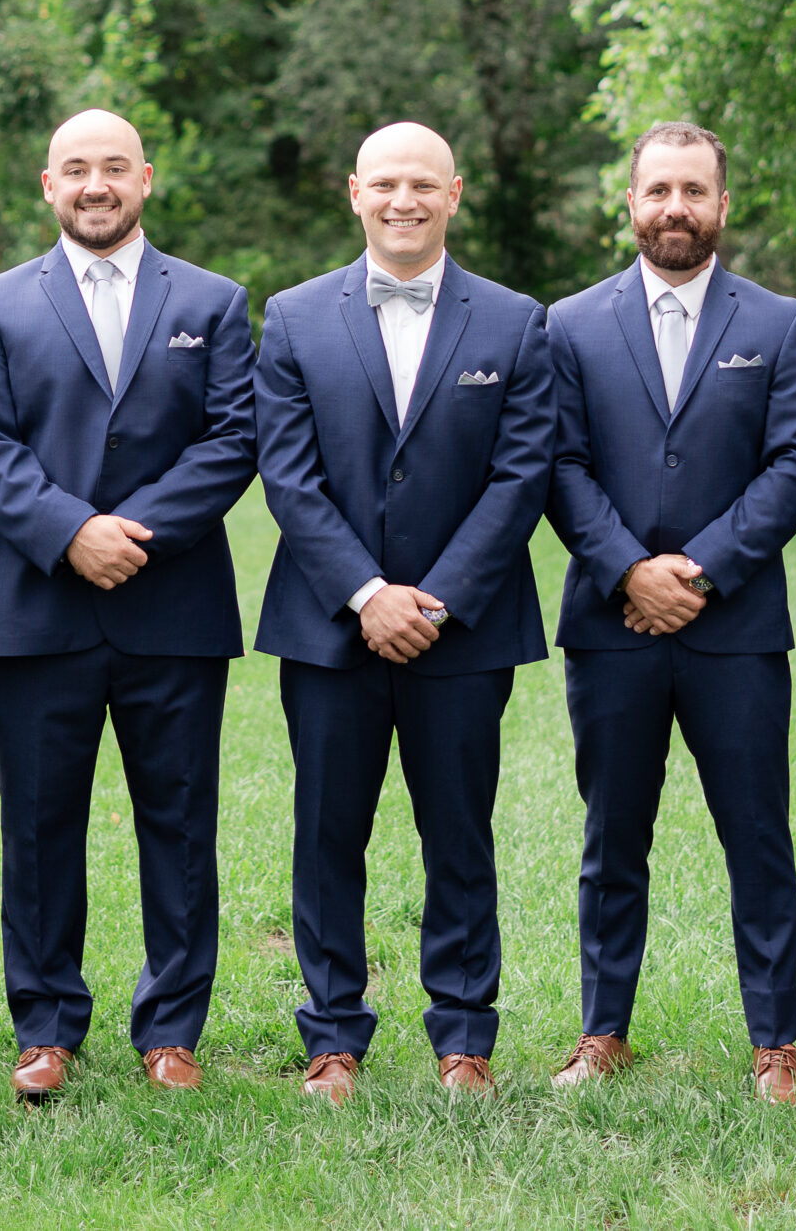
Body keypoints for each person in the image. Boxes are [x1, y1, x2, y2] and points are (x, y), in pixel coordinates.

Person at [0, 109, 257, 1100]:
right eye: (76, 168)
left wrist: (132, 534)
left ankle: (171, 1030)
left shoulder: (211, 302)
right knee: (39, 828)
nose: (96, 184)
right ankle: (45, 1027)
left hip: (175, 606)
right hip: (40, 607)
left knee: (179, 823)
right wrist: (69, 532)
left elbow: (229, 439)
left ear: (145, 180)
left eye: (113, 168)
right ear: (47, 185)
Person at [253, 122, 553, 1103]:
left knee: (458, 836)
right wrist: (366, 593)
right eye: (384, 184)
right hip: (328, 627)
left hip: (463, 632)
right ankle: (333, 1038)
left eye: (423, 184)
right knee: (327, 835)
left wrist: (437, 598)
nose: (403, 201)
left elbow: (519, 479)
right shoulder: (294, 318)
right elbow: (288, 477)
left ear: (454, 194)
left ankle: (463, 1039)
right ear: (352, 193)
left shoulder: (515, 323)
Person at [542, 121, 796, 1102]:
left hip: (736, 629)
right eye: (657, 190)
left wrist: (699, 571)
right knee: (611, 836)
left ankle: (775, 1041)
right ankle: (601, 1029)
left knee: (757, 835)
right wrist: (629, 570)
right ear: (629, 203)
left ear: (721, 204)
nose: (674, 208)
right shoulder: (568, 325)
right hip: (609, 627)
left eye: (693, 191)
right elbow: (559, 466)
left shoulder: (778, 324)